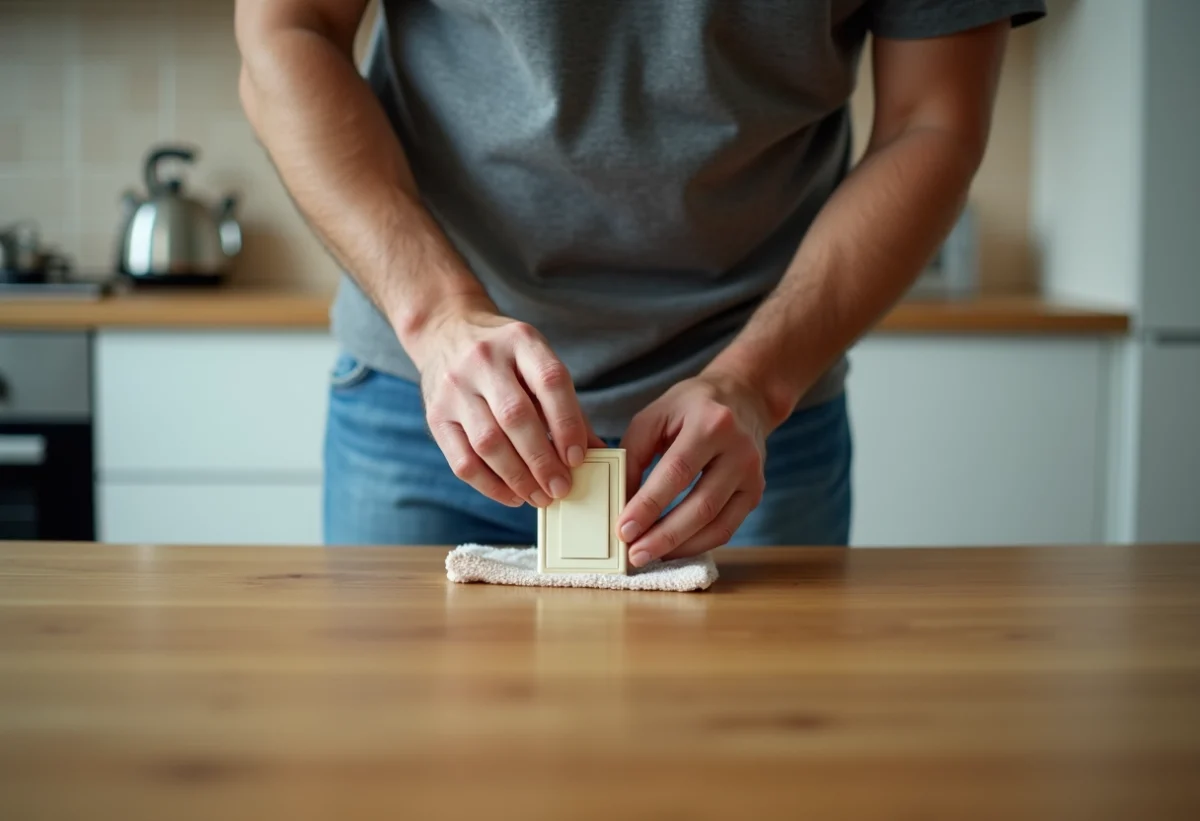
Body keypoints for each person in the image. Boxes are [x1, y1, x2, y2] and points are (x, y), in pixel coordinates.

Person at [235, 0, 1045, 564]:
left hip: (752, 435)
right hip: (427, 407)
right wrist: (441, 317)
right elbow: (283, 28)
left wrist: (755, 384)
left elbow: (932, 122)